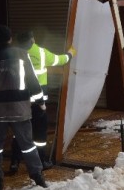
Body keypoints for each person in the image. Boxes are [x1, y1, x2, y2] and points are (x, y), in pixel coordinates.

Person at [0, 25, 47, 190]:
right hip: (20, 108)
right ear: (10, 38)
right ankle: (38, 177)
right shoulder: (21, 55)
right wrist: (40, 100)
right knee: (28, 145)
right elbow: (32, 79)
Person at [7, 30, 75, 174]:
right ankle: (42, 161)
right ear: (33, 39)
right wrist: (71, 53)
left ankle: (14, 162)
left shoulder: (13, 55)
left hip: (20, 103)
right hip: (38, 103)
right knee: (39, 134)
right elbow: (60, 60)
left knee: (19, 133)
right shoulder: (41, 52)